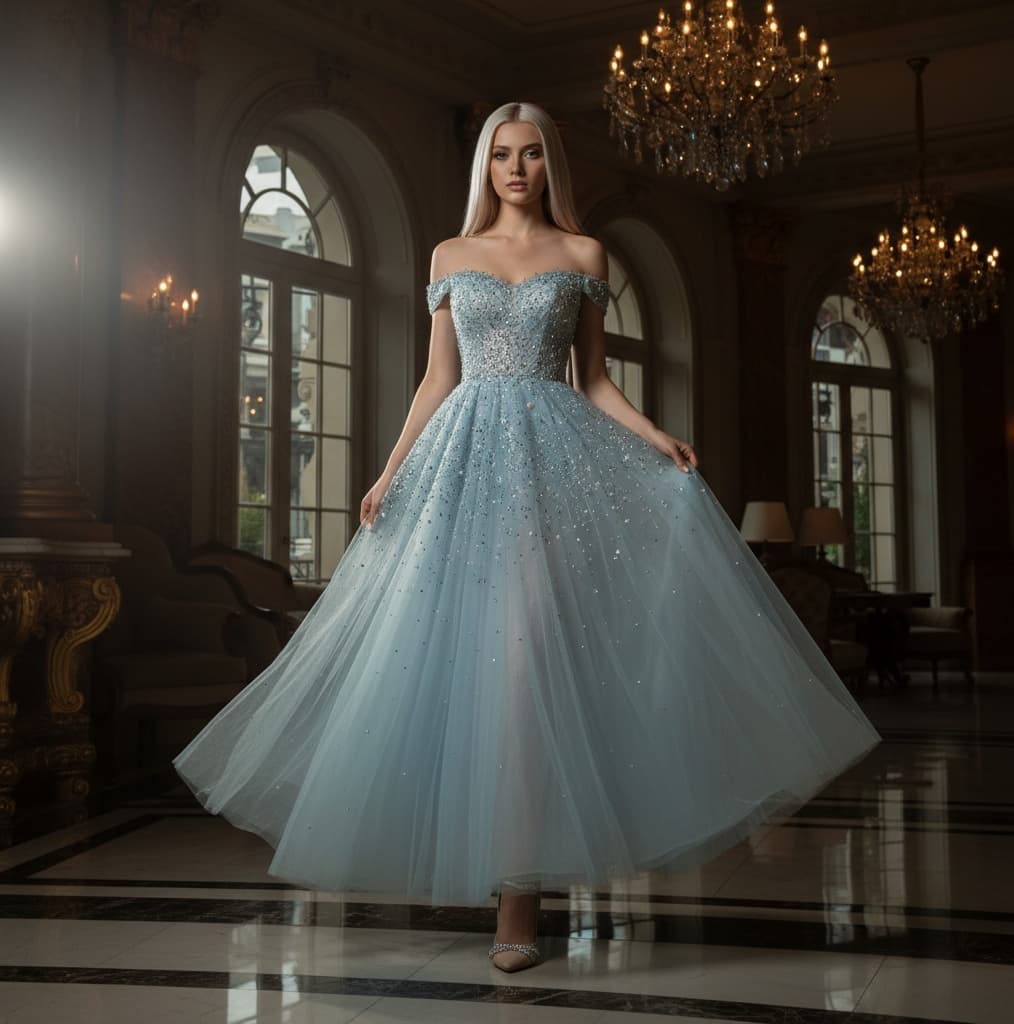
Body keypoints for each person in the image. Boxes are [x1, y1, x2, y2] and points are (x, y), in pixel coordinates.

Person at [175, 101, 880, 975]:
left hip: (554, 472)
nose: (516, 167)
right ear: (486, 165)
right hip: (461, 465)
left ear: (552, 165)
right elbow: (437, 380)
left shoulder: (584, 255)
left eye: (532, 154)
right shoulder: (449, 257)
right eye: (502, 154)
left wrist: (654, 435)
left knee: (527, 671)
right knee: (455, 667)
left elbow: (593, 381)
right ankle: (481, 862)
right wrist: (389, 474)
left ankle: (520, 895)